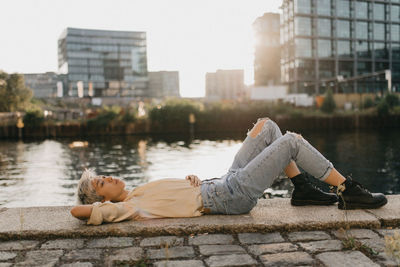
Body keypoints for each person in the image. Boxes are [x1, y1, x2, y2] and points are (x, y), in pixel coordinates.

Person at [71, 118, 387, 225]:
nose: (109, 177)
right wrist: (101, 206)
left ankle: (302, 188)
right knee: (290, 141)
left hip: (222, 183)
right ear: (103, 200)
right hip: (230, 197)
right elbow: (77, 211)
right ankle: (348, 190)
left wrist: (191, 183)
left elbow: (178, 197)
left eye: (104, 176)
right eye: (102, 183)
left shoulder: (138, 193)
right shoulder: (127, 207)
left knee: (267, 126)